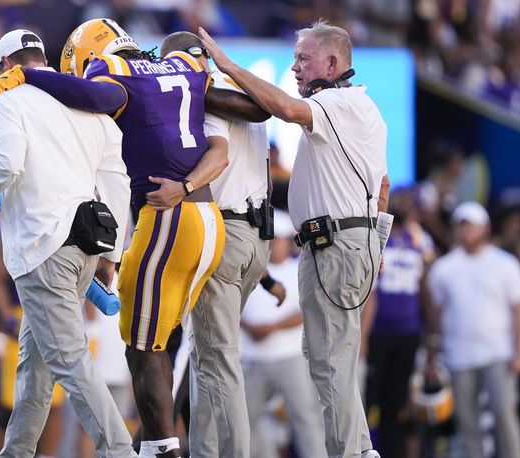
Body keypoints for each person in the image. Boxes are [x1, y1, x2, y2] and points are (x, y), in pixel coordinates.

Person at [0, 19, 246, 458]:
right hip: (209, 215)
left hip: (165, 213)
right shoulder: (178, 65)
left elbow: (99, 98)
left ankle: (140, 451)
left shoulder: (107, 81)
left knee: (141, 351)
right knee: (198, 351)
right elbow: (249, 107)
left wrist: (28, 76)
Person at [199, 20, 389, 457]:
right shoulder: (361, 109)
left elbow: (284, 108)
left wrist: (227, 66)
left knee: (332, 361)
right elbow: (383, 187)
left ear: (333, 62)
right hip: (341, 243)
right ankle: (358, 449)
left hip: (336, 243)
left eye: (303, 58)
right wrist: (375, 242)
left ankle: (356, 453)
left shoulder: (340, 102)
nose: (296, 67)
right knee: (327, 360)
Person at [0, 29, 135, 458]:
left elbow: (6, 165)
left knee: (69, 362)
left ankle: (120, 451)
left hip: (42, 251)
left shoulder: (10, 98)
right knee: (33, 371)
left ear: (5, 67)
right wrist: (109, 254)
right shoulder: (84, 101)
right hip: (86, 247)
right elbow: (116, 180)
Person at [157, 31, 270, 458]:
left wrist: (183, 187)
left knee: (219, 362)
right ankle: (204, 452)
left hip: (224, 235)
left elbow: (218, 156)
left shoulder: (202, 99)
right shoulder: (239, 94)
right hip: (256, 239)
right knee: (206, 359)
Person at [426, 201, 520, 458]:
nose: (465, 232)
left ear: (484, 228)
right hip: (458, 355)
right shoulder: (444, 268)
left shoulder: (505, 264)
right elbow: (435, 316)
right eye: (461, 227)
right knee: (466, 420)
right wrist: (432, 354)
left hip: (498, 353)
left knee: (504, 414)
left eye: (470, 226)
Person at [240, 210, 326, 458]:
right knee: (246, 420)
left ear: (289, 240)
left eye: (278, 238)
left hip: (290, 355)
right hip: (252, 356)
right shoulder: (251, 269)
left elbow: (308, 310)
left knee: (305, 417)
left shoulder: (300, 267)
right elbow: (232, 306)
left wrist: (272, 328)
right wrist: (250, 327)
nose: (272, 243)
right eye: (270, 238)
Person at [360, 189, 435, 458]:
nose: (404, 206)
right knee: (368, 400)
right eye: (400, 202)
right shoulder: (377, 235)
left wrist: (432, 336)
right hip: (378, 332)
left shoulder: (419, 240)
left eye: (408, 203)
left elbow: (426, 289)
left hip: (408, 331)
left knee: (396, 404)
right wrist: (363, 337)